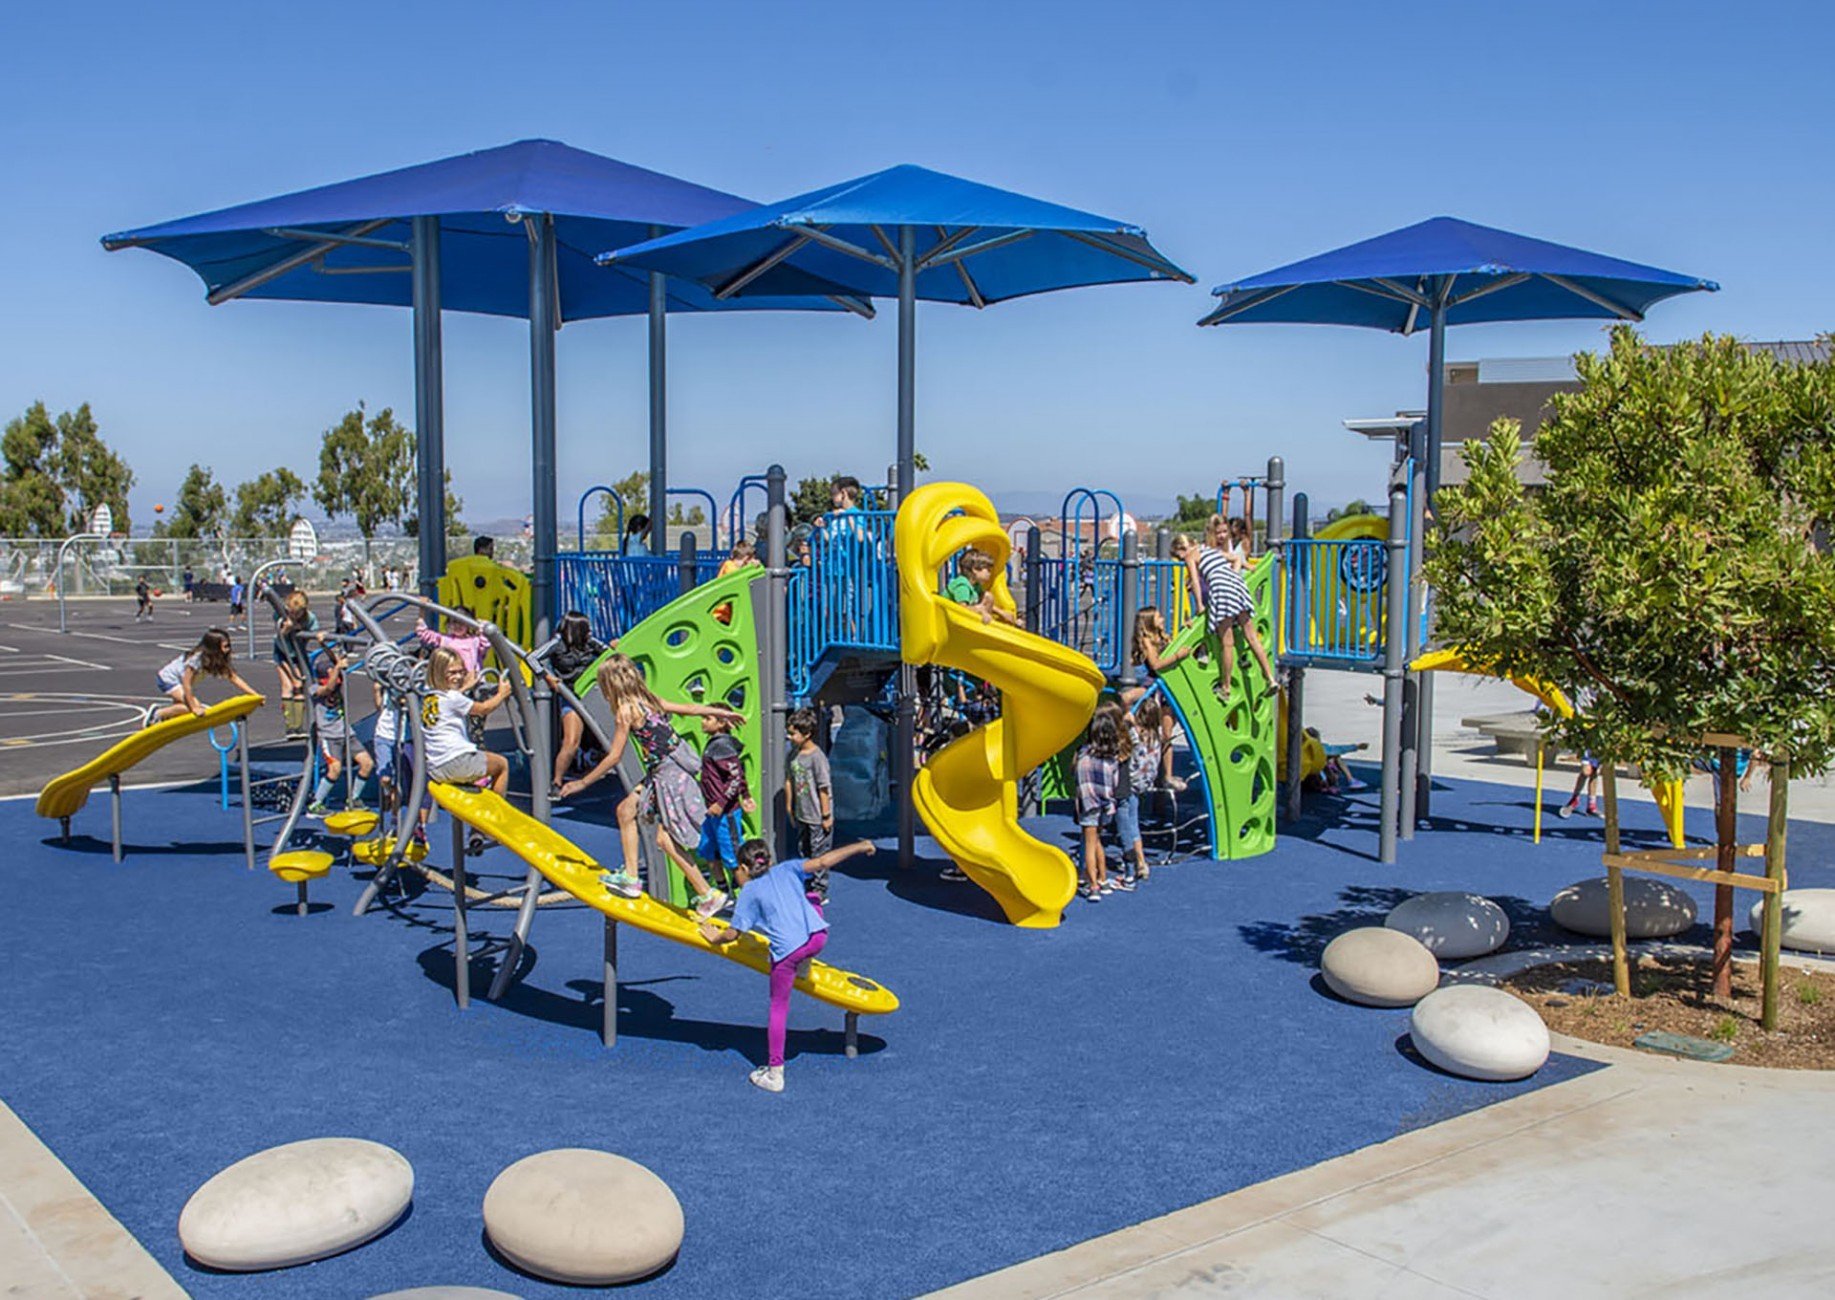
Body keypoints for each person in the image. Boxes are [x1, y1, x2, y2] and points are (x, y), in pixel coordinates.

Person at [559, 654, 742, 915]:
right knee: (626, 812)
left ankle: (707, 893)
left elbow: (614, 756)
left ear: (612, 685)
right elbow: (688, 709)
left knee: (667, 840)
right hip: (664, 770)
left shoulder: (626, 711)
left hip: (668, 776)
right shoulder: (648, 701)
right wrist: (720, 712)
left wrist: (583, 782)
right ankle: (634, 878)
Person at [697, 836, 877, 1093]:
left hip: (790, 951)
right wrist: (860, 846)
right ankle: (805, 962)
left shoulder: (749, 892)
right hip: (818, 937)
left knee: (778, 1005)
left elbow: (733, 933)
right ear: (769, 861)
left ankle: (775, 1073)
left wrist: (714, 938)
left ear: (745, 869)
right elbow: (825, 861)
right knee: (813, 897)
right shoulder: (787, 868)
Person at [1173, 518, 1277, 705]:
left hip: (1221, 587)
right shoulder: (1210, 550)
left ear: (1182, 550)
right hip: (1236, 583)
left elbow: (1195, 582)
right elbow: (1236, 558)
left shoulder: (1191, 555)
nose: (1182, 560)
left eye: (1179, 557)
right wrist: (1243, 570)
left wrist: (1199, 604)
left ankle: (1226, 687)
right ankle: (1270, 678)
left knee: (1226, 642)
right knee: (1252, 636)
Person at [421, 646, 512, 798]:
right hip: (457, 762)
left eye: (461, 672)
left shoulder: (429, 694)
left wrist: (465, 687)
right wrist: (502, 694)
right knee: (502, 764)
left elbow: (450, 700)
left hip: (436, 767)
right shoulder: (454, 698)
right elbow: (483, 708)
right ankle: (496, 810)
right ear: (439, 672)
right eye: (452, 673)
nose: (458, 676)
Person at [1122, 606, 1191, 791]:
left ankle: (1167, 775)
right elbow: (1156, 664)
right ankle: (1129, 723)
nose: (1162, 619)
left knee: (1167, 734)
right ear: (1149, 621)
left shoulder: (1161, 637)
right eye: (1159, 617)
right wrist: (1178, 656)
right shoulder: (1147, 639)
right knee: (1126, 697)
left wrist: (1188, 629)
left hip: (1168, 687)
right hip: (1154, 684)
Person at [544, 610, 606, 794]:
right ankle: (556, 782)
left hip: (591, 696)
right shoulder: (557, 644)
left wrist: (614, 647)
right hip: (571, 697)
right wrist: (548, 677)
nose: (589, 632)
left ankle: (595, 761)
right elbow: (533, 658)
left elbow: (610, 653)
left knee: (612, 738)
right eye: (585, 628)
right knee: (571, 742)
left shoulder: (589, 643)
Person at [306, 649, 374, 816]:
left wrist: (324, 645)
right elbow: (327, 689)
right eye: (332, 674)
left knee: (367, 764)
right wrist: (336, 667)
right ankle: (316, 803)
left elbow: (336, 669)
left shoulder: (337, 681)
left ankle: (353, 798)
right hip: (329, 736)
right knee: (335, 769)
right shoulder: (315, 688)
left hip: (345, 733)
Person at [696, 711, 757, 895]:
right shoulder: (714, 744)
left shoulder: (722, 747)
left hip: (725, 814)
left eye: (707, 718)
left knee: (733, 859)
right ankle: (723, 893)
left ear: (721, 723)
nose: (703, 721)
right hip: (712, 813)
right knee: (709, 853)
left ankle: (747, 898)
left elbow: (736, 777)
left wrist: (722, 803)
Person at [148, 628, 258, 726]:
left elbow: (233, 677)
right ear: (214, 647)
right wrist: (194, 707)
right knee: (194, 707)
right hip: (168, 680)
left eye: (229, 645)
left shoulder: (217, 658)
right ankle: (157, 713)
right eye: (225, 646)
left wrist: (254, 694)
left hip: (180, 683)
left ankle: (167, 714)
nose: (228, 649)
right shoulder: (196, 659)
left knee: (187, 708)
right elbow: (186, 683)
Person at [1074, 709, 1124, 901]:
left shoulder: (1083, 756)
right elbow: (1114, 782)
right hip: (1106, 803)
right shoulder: (1111, 759)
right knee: (1097, 841)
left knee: (1088, 844)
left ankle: (1093, 885)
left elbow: (1079, 781)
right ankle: (1102, 879)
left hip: (1089, 803)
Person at [1121, 698, 1164, 882]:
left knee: (1131, 822)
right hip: (1144, 782)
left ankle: (1139, 860)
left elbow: (1124, 732)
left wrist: (1128, 719)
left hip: (1130, 783)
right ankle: (1135, 857)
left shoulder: (1135, 735)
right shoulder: (1157, 736)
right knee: (1130, 817)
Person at [784, 707, 833, 862]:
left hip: (817, 816)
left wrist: (826, 816)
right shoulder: (793, 755)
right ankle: (807, 880)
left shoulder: (817, 758)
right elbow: (789, 780)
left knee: (819, 854)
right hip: (802, 814)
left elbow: (823, 788)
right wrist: (789, 807)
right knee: (804, 850)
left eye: (793, 734)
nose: (789, 737)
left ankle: (818, 885)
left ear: (807, 734)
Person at [273, 591, 321, 737]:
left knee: (299, 685)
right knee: (288, 686)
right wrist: (285, 630)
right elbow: (279, 639)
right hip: (282, 652)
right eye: (291, 613)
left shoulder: (310, 618)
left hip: (298, 654)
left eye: (296, 614)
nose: (293, 616)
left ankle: (298, 726)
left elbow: (313, 633)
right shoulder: (280, 615)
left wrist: (310, 633)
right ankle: (290, 727)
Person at [945, 548, 1019, 627]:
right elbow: (961, 610)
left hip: (960, 617)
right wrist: (980, 611)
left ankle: (985, 623)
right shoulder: (962, 586)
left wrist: (1002, 613)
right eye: (988, 570)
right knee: (985, 599)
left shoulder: (975, 585)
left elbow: (982, 602)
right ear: (975, 569)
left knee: (987, 596)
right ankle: (982, 625)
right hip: (949, 622)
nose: (990, 574)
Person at [1559, 751, 1602, 819]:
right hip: (1587, 745)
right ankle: (1574, 800)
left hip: (1600, 748)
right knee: (1586, 772)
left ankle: (1591, 806)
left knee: (1594, 773)